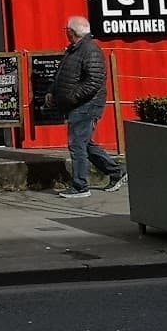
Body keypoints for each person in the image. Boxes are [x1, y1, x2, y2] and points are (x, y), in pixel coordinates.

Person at [46, 16, 125, 199]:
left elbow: (94, 80)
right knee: (85, 144)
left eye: (66, 29)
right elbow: (61, 74)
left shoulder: (90, 50)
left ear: (71, 32)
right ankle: (115, 172)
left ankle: (80, 186)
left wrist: (72, 97)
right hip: (79, 104)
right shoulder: (74, 50)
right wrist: (52, 91)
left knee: (77, 145)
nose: (65, 32)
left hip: (87, 105)